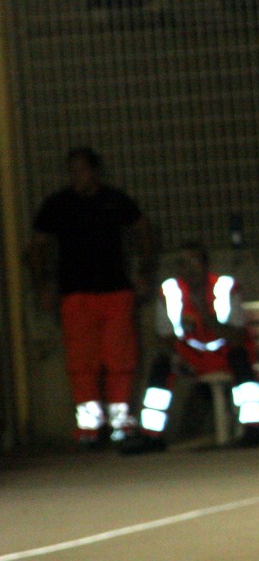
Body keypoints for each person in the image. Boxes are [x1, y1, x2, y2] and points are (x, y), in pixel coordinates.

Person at [27, 147, 157, 447]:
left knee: (120, 360)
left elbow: (143, 230)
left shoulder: (115, 200)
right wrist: (42, 286)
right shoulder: (59, 204)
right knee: (81, 364)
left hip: (115, 292)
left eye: (81, 169)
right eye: (71, 170)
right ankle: (89, 427)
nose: (75, 175)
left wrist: (144, 271)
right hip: (75, 295)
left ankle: (120, 423)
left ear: (95, 172)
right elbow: (36, 246)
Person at [122, 241, 259, 454]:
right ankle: (151, 435)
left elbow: (237, 337)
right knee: (161, 364)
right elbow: (164, 336)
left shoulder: (225, 287)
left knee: (241, 359)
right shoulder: (169, 291)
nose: (190, 268)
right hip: (191, 356)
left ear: (206, 265)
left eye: (194, 261)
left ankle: (254, 429)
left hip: (225, 354)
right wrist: (176, 354)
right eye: (183, 263)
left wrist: (206, 316)